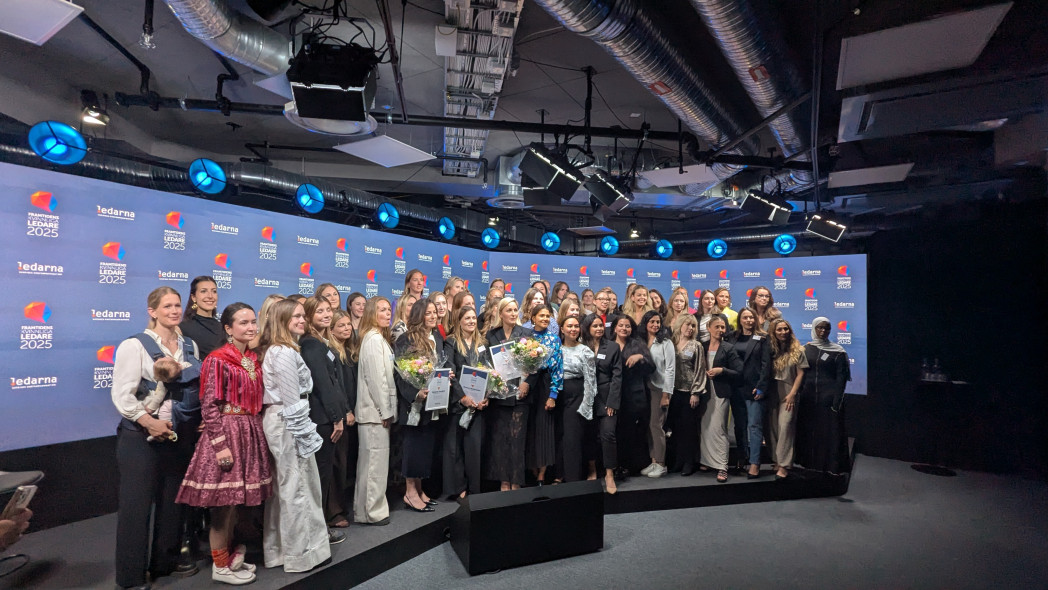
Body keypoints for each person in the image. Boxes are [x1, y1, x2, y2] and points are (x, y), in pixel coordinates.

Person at [176, 302, 273, 585]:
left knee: (236, 504)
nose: (251, 327)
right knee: (222, 504)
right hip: (228, 432)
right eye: (243, 323)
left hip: (249, 430)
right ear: (228, 329)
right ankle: (219, 565)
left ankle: (228, 557)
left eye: (253, 321)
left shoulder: (253, 359)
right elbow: (209, 405)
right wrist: (220, 445)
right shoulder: (218, 359)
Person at [111, 287, 201, 589]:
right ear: (152, 311)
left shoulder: (189, 345)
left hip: (178, 436)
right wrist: (149, 422)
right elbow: (122, 396)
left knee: (172, 504)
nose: (174, 311)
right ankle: (131, 577)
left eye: (177, 305)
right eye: (167, 306)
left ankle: (165, 563)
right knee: (136, 508)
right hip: (139, 437)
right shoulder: (133, 346)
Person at [258, 299, 336, 572]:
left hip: (285, 420)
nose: (303, 321)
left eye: (303, 316)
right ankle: (304, 554)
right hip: (289, 422)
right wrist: (306, 435)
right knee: (299, 487)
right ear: (281, 321)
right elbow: (292, 400)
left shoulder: (283, 350)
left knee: (288, 488)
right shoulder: (283, 353)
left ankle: (281, 551)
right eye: (296, 317)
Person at [393, 299, 448, 513]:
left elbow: (442, 364)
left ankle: (419, 488)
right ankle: (410, 492)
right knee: (412, 448)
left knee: (424, 448)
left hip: (433, 402)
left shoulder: (438, 338)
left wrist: (447, 375)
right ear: (418, 316)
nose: (433, 316)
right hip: (414, 404)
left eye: (434, 312)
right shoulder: (405, 339)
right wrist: (416, 393)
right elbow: (401, 374)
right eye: (428, 313)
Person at [300, 296, 349, 530]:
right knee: (320, 476)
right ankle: (317, 529)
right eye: (319, 312)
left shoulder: (322, 342)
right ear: (309, 316)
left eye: (328, 310)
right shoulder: (311, 344)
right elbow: (322, 384)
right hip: (322, 420)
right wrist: (336, 417)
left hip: (329, 417)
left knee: (327, 473)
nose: (326, 315)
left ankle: (320, 527)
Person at [351, 297, 397, 525]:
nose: (388, 313)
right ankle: (373, 511)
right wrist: (386, 411)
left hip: (375, 413)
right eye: (382, 310)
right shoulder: (373, 339)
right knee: (374, 465)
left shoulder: (377, 338)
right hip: (374, 414)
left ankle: (364, 510)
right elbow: (376, 380)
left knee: (371, 463)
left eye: (389, 310)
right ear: (371, 313)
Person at [484, 298, 530, 490]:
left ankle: (516, 481)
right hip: (500, 396)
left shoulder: (526, 333)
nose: (513, 313)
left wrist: (527, 383)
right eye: (509, 310)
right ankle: (504, 481)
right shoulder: (491, 335)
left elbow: (535, 362)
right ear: (500, 313)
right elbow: (485, 362)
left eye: (515, 310)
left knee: (517, 441)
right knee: (501, 441)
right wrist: (493, 379)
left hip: (520, 395)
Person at [796, 317, 851, 475]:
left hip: (828, 398)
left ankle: (830, 466)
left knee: (829, 433)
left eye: (826, 328)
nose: (822, 331)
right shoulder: (806, 349)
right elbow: (800, 374)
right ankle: (807, 462)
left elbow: (841, 378)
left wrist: (837, 402)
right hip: (808, 398)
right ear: (813, 328)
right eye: (819, 328)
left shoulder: (839, 351)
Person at [443, 307, 489, 498]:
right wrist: (463, 398)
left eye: (473, 318)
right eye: (467, 318)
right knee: (455, 449)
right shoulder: (451, 342)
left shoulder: (482, 343)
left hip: (478, 406)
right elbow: (449, 372)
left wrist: (485, 396)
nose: (471, 321)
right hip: (458, 404)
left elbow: (489, 372)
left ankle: (474, 489)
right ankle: (458, 488)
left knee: (474, 448)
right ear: (459, 320)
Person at [727, 307, 771, 478]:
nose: (748, 321)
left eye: (751, 318)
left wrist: (761, 386)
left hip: (754, 388)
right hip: (736, 387)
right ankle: (741, 458)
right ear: (740, 320)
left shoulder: (763, 338)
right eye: (745, 318)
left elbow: (766, 364)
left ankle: (755, 463)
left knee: (754, 426)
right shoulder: (732, 337)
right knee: (739, 426)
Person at [580, 314, 621, 493]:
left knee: (608, 435)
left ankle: (610, 473)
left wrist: (612, 402)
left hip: (607, 397)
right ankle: (592, 469)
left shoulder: (612, 347)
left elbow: (617, 377)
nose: (598, 328)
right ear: (587, 328)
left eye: (600, 325)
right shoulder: (581, 346)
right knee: (589, 435)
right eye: (594, 326)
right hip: (586, 398)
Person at [699, 315, 742, 483]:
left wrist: (721, 370)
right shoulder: (701, 346)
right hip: (703, 392)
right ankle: (707, 461)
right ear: (709, 328)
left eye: (723, 327)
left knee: (719, 429)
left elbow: (739, 372)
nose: (720, 330)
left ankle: (722, 466)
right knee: (706, 427)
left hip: (721, 393)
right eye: (717, 327)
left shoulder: (728, 348)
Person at [609, 314, 653, 478]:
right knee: (616, 431)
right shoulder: (609, 345)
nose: (624, 328)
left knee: (633, 432)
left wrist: (641, 357)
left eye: (627, 326)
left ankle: (632, 466)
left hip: (634, 397)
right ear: (615, 327)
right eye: (621, 325)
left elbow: (651, 367)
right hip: (614, 395)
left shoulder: (638, 344)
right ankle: (617, 465)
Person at [524, 304, 563, 484]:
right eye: (541, 315)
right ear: (533, 318)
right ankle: (531, 467)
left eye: (548, 316)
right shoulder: (525, 337)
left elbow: (558, 369)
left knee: (545, 429)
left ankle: (542, 473)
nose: (545, 319)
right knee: (530, 429)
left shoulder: (554, 339)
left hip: (546, 385)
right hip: (528, 386)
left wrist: (553, 395)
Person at [767, 318, 808, 480]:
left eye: (785, 329)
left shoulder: (798, 350)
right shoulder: (770, 350)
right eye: (779, 330)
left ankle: (784, 465)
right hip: (772, 392)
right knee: (773, 429)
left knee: (785, 427)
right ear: (774, 332)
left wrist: (792, 394)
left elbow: (801, 374)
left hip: (789, 392)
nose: (783, 332)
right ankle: (777, 460)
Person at [327, 310, 358, 525]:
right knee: (336, 464)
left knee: (345, 462)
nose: (347, 328)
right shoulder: (330, 351)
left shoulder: (347, 350)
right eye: (341, 326)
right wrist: (345, 410)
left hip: (352, 413)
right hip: (340, 415)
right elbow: (336, 386)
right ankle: (333, 511)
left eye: (349, 325)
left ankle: (340, 506)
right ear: (331, 329)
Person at [557, 315, 596, 483]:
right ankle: (560, 475)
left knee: (572, 439)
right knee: (560, 438)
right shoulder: (556, 349)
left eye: (576, 326)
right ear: (562, 329)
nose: (573, 329)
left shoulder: (585, 351)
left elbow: (590, 380)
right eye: (569, 326)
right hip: (557, 397)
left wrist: (586, 405)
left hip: (577, 398)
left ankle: (573, 480)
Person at [668, 314, 706, 476]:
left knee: (689, 429)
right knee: (675, 428)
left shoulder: (696, 345)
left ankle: (690, 462)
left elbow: (699, 370)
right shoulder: (671, 343)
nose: (690, 328)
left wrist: (696, 392)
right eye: (687, 325)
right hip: (672, 392)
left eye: (693, 326)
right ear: (680, 325)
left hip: (689, 393)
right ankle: (678, 460)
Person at [640, 310, 674, 479]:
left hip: (661, 389)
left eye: (657, 322)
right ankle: (653, 461)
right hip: (645, 388)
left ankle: (661, 464)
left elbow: (670, 369)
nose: (655, 325)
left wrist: (666, 394)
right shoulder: (641, 341)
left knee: (657, 425)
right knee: (649, 426)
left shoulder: (666, 342)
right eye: (651, 322)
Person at [180, 276, 224, 359]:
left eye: (214, 291)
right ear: (194, 297)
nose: (210, 296)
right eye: (203, 291)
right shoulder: (183, 328)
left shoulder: (224, 327)